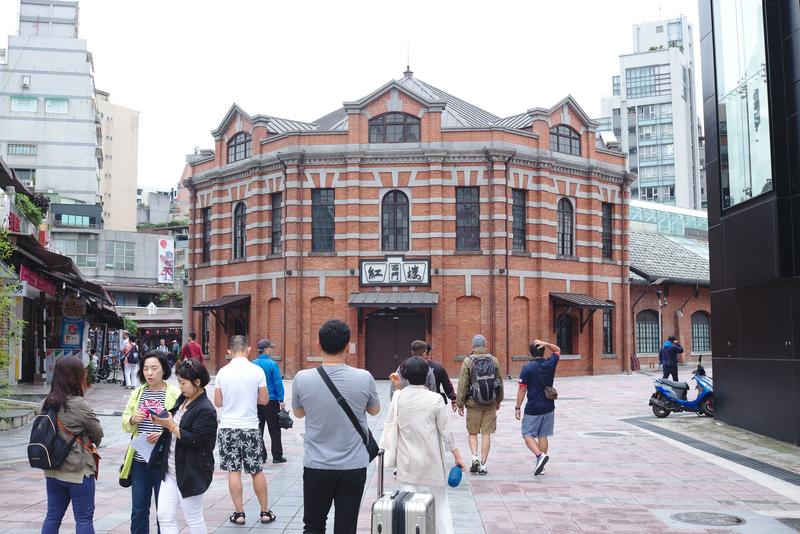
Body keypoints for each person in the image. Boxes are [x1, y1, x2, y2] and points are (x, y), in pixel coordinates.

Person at [292, 320, 380, 534]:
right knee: (345, 528)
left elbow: (298, 413)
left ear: (318, 345)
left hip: (317, 465)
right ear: (348, 345)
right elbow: (374, 411)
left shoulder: (302, 378)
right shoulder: (364, 377)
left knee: (313, 526)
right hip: (353, 466)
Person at [381, 356, 466, 534]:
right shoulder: (435, 399)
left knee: (409, 505)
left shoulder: (398, 397)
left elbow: (395, 412)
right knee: (441, 502)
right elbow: (446, 431)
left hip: (407, 461)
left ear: (403, 375)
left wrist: (398, 387)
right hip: (432, 459)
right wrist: (457, 455)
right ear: (428, 375)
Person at [150, 359, 217, 534]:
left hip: (192, 471)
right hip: (171, 469)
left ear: (197, 382)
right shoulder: (184, 399)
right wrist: (162, 423)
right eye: (179, 382)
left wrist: (171, 426)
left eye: (183, 383)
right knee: (164, 515)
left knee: (193, 518)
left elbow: (196, 440)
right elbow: (174, 426)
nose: (180, 387)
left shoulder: (206, 410)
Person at [214, 335, 275, 525]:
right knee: (256, 470)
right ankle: (265, 512)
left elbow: (218, 402)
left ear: (229, 351)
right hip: (249, 427)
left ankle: (239, 514)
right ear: (248, 349)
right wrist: (251, 399)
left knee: (233, 471)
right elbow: (264, 400)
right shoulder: (256, 371)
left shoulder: (222, 372)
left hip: (228, 428)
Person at [41, 356, 104, 534]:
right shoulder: (79, 404)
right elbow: (97, 433)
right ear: (75, 376)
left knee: (52, 516)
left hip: (52, 470)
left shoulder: (49, 401)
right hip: (77, 471)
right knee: (83, 518)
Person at [121, 350, 181, 534]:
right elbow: (125, 421)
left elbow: (180, 424)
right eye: (146, 368)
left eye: (154, 368)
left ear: (164, 370)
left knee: (163, 513)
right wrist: (133, 419)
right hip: (140, 461)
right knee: (138, 510)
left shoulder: (174, 393)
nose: (149, 373)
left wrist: (164, 433)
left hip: (163, 462)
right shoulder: (138, 393)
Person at [455, 334, 504, 475]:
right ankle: (483, 464)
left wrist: (460, 403)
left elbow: (463, 384)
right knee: (486, 434)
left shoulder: (468, 361)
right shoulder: (494, 360)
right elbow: (499, 381)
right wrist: (498, 400)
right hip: (490, 403)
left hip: (473, 403)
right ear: (485, 344)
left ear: (473, 346)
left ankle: (474, 457)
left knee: (472, 432)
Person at [515, 339, 560, 476]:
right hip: (548, 405)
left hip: (533, 407)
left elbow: (522, 389)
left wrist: (517, 407)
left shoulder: (527, 368)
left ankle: (540, 456)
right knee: (542, 435)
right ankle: (542, 465)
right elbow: (557, 350)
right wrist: (546, 343)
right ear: (543, 350)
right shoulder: (550, 363)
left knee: (527, 434)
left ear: (531, 353)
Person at [252, 338, 286, 464]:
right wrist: (281, 399)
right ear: (266, 349)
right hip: (271, 401)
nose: (272, 349)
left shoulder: (253, 364)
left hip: (256, 401)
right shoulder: (272, 364)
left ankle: (261, 456)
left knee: (258, 429)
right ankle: (277, 456)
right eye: (270, 347)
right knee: (274, 429)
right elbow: (278, 383)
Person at [425, 343, 457, 409]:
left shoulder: (408, 367)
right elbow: (447, 385)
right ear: (430, 353)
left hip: (415, 402)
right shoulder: (438, 368)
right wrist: (453, 399)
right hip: (434, 401)